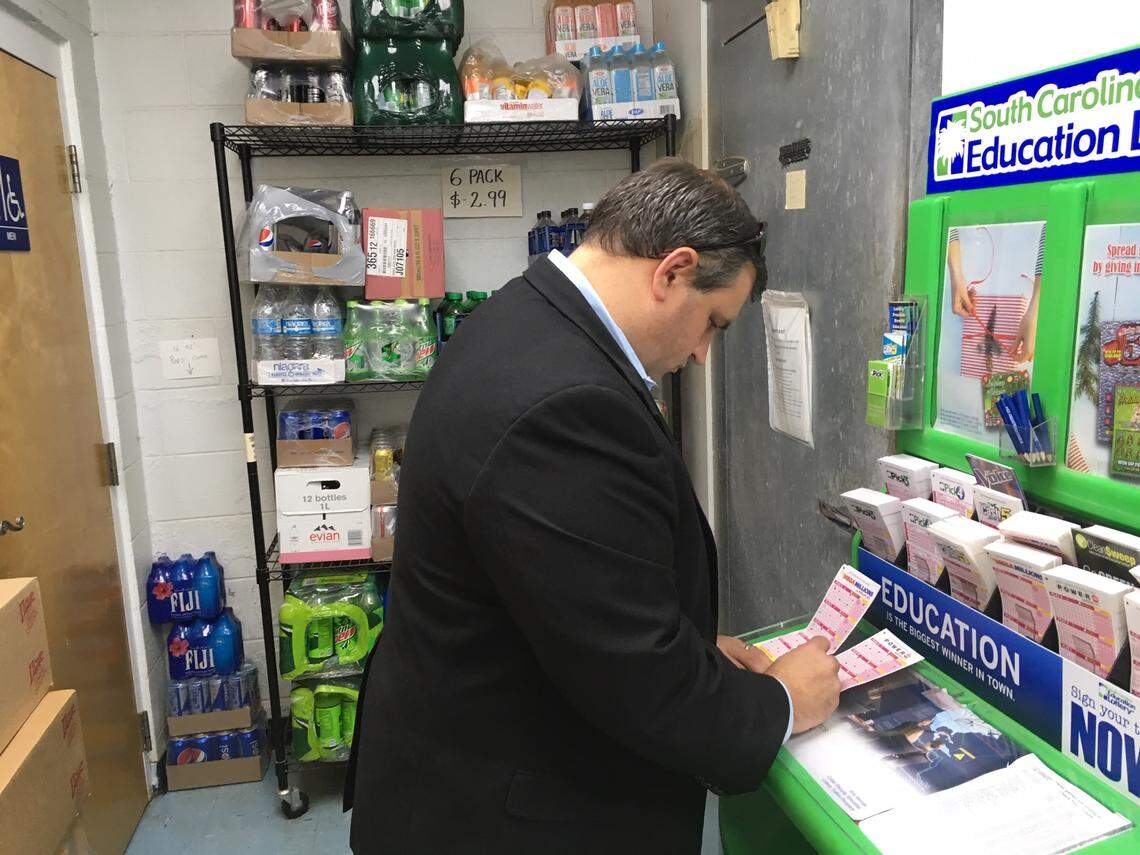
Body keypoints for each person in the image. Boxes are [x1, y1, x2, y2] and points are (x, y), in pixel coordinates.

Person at [346, 159, 842, 854]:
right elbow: (638, 682)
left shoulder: (523, 317)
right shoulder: (565, 404)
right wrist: (782, 700)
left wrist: (688, 646)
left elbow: (575, 586)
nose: (702, 354)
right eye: (713, 323)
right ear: (672, 270)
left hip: (466, 745)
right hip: (506, 814)